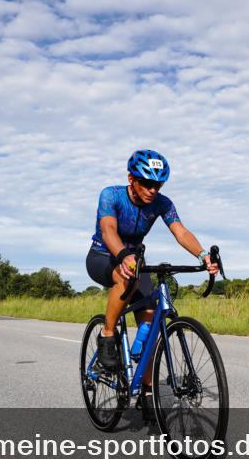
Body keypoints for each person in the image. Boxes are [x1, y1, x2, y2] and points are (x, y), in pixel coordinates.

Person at [85, 149, 218, 397]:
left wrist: (202, 255)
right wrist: (123, 255)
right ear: (131, 179)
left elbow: (181, 232)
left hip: (135, 261)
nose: (152, 190)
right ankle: (108, 335)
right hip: (103, 256)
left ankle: (146, 389)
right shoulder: (110, 195)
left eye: (158, 184)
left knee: (150, 322)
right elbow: (109, 230)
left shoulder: (162, 203)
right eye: (146, 183)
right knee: (125, 278)